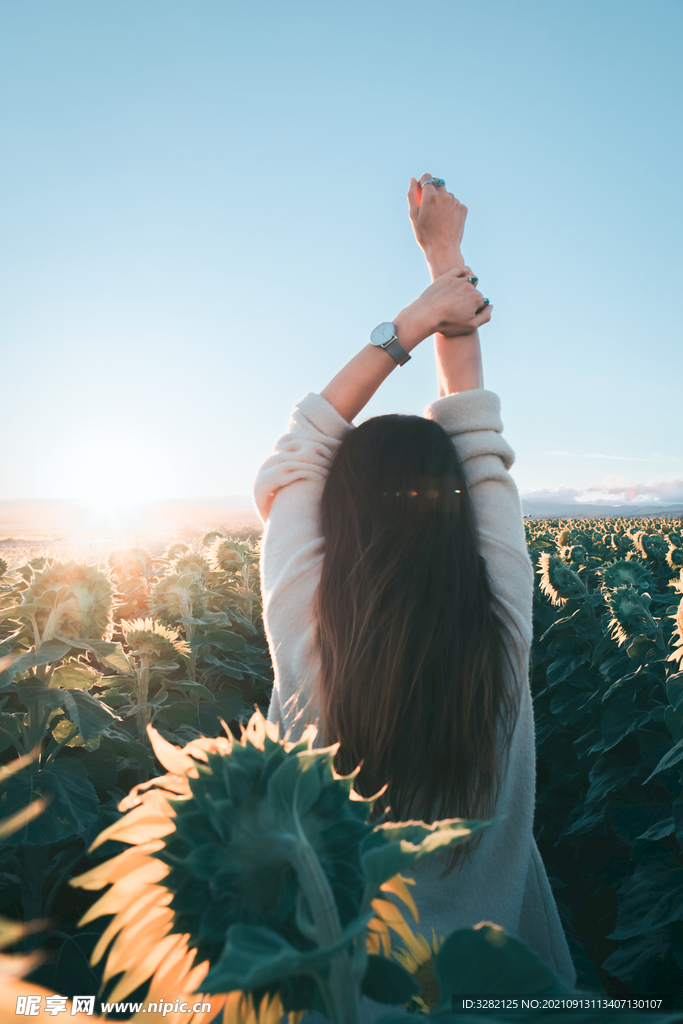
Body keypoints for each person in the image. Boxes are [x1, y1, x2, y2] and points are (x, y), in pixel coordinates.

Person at [253, 174, 577, 1020]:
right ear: (461, 512)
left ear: (333, 516)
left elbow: (299, 447)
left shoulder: (305, 630)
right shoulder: (502, 616)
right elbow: (476, 430)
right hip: (502, 995)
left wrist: (413, 317)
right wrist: (445, 261)